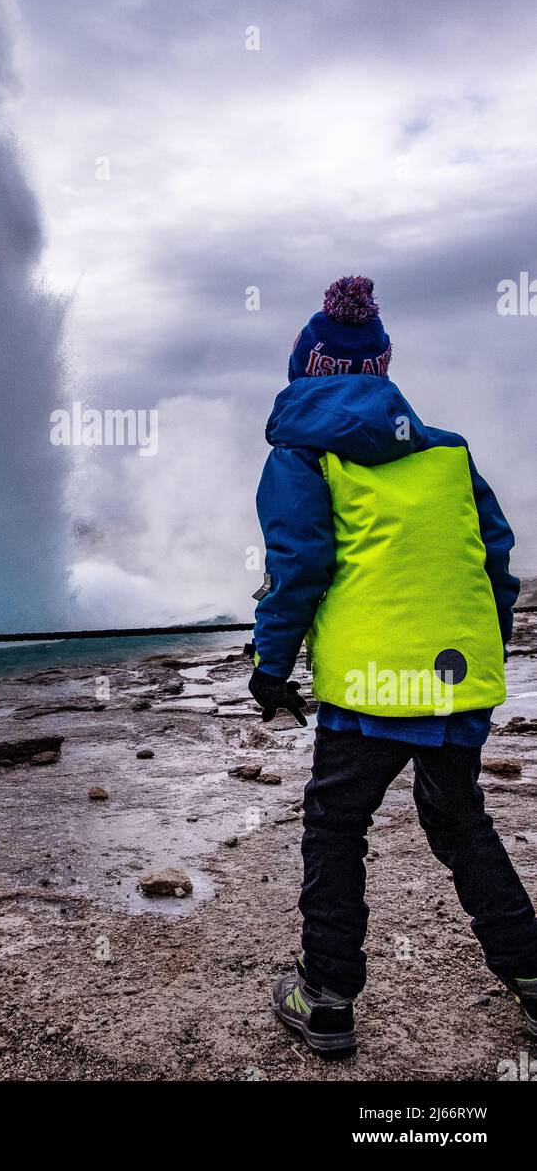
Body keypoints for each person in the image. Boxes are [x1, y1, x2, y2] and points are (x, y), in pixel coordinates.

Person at [248, 275, 537, 1057]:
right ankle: (534, 978)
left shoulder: (302, 456)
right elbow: (496, 561)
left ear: (305, 368)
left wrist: (269, 669)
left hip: (372, 692)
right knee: (460, 821)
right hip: (453, 680)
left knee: (337, 827)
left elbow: (298, 567)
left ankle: (328, 997)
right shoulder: (446, 452)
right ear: (382, 369)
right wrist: (482, 645)